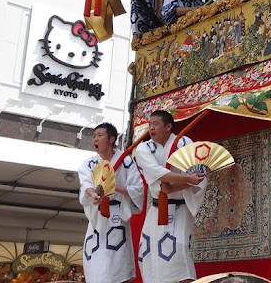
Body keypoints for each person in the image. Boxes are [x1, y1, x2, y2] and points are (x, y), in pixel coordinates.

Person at [135, 110, 207, 283]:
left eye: (155, 124)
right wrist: (185, 179)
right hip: (156, 209)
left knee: (178, 250)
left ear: (168, 127)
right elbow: (157, 173)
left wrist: (174, 187)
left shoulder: (184, 143)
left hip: (180, 208)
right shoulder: (144, 148)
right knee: (147, 251)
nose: (151, 128)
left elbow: (199, 178)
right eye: (149, 124)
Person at [78, 123, 144, 283]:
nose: (95, 138)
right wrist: (93, 194)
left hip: (117, 219)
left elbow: (138, 188)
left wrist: (116, 188)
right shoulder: (89, 163)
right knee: (96, 269)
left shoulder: (126, 161)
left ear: (111, 139)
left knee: (117, 268)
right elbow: (85, 182)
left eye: (99, 135)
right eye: (94, 136)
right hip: (97, 223)